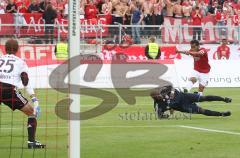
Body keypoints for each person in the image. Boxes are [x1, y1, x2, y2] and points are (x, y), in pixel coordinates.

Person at [0, 39, 45, 149]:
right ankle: (31, 142)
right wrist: (34, 98)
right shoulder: (20, 62)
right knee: (31, 112)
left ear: (5, 49)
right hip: (8, 91)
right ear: (17, 49)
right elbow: (25, 80)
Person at [150, 85, 232, 118]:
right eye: (158, 96)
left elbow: (171, 87)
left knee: (204, 98)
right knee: (201, 111)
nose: (160, 95)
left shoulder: (163, 90)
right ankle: (222, 114)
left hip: (185, 96)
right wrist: (165, 116)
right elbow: (159, 114)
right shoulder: (159, 105)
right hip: (184, 107)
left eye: (159, 93)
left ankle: (224, 99)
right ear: (154, 98)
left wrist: (171, 93)